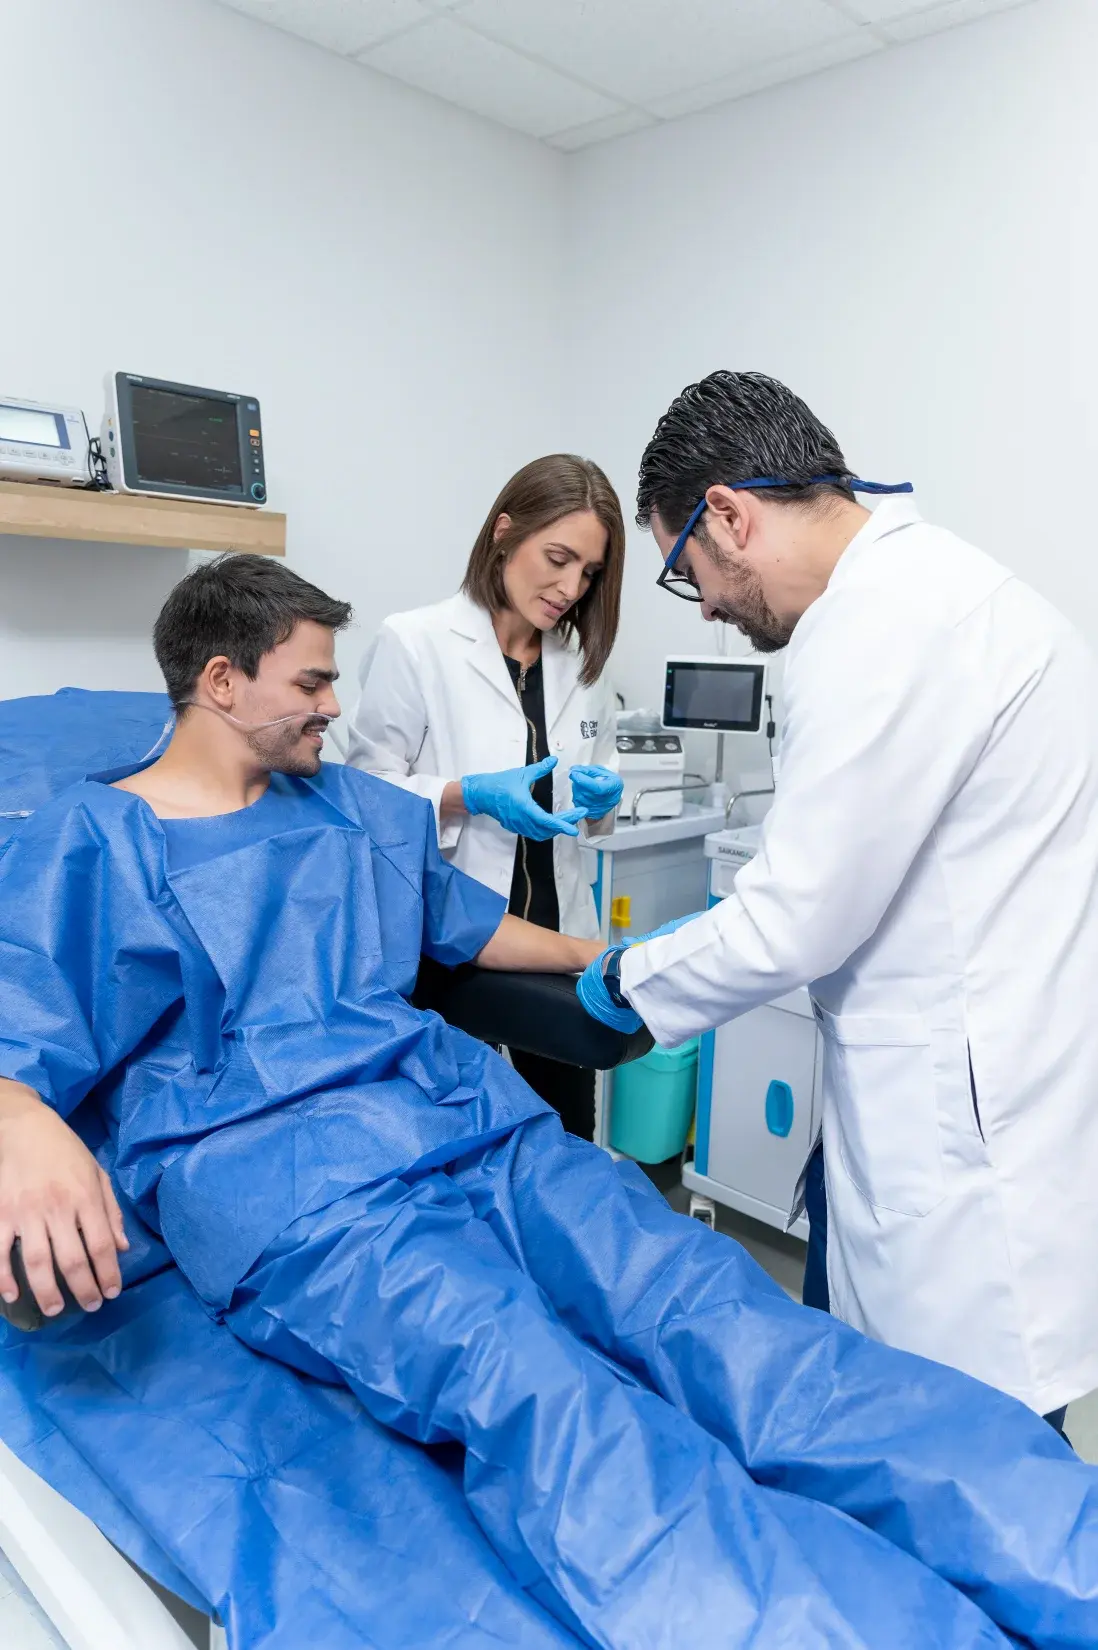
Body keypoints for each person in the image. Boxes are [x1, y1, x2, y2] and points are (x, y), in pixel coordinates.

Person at [2, 555, 1098, 1650]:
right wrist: (23, 1118)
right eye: (313, 684)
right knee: (539, 1389)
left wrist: (610, 959)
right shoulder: (91, 842)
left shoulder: (340, 804)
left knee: (713, 1312)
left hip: (471, 1125)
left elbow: (465, 929)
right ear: (222, 681)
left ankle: (1068, 1556)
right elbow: (21, 1022)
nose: (337, 706)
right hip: (297, 1191)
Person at [577, 368, 1098, 1434]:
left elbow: (795, 918)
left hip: (960, 1137)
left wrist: (625, 978)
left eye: (689, 574)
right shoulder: (953, 588)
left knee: (963, 1464)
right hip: (989, 1085)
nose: (712, 609)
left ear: (730, 514)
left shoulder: (877, 627)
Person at [348, 455, 626, 1141]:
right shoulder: (416, 643)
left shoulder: (582, 667)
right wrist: (461, 795)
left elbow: (595, 810)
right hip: (456, 955)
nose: (569, 587)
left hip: (560, 950)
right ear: (505, 531)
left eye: (588, 572)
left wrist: (603, 801)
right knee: (462, 1151)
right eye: (557, 558)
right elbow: (361, 798)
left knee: (566, 1145)